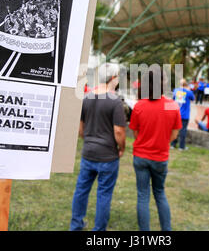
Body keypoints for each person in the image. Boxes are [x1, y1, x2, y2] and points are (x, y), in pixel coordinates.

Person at [70, 63, 126, 231]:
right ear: (113, 78)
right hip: (107, 155)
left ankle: (76, 226)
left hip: (88, 152)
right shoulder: (115, 101)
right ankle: (99, 230)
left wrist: (87, 138)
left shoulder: (86, 97)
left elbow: (80, 128)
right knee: (104, 194)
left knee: (81, 190)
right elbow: (119, 131)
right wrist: (122, 147)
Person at [129, 68, 182, 231]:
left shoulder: (139, 106)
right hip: (160, 157)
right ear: (163, 83)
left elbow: (136, 133)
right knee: (160, 193)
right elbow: (174, 135)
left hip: (141, 156)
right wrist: (162, 141)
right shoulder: (171, 106)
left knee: (143, 196)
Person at [171, 79, 195, 151]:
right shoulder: (189, 92)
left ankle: (173, 144)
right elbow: (193, 99)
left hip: (176, 113)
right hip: (185, 115)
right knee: (183, 130)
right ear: (186, 85)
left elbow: (173, 99)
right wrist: (189, 89)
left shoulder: (175, 90)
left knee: (175, 129)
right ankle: (181, 146)